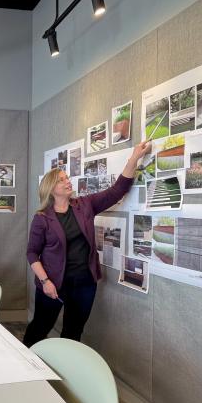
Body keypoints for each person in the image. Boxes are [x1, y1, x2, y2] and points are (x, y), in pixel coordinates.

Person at [22, 141, 151, 347]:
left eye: (67, 178)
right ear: (51, 189)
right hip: (53, 284)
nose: (68, 181)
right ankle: (26, 364)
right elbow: (32, 253)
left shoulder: (85, 205)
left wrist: (135, 157)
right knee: (40, 327)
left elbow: (117, 190)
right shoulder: (42, 218)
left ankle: (65, 373)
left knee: (73, 332)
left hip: (84, 283)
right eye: (62, 180)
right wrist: (45, 281)